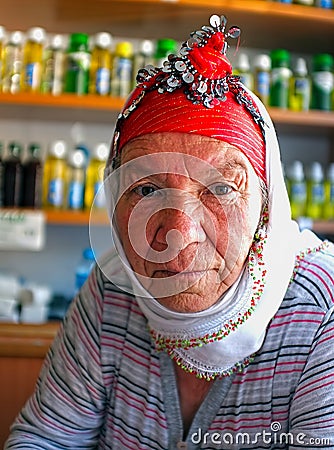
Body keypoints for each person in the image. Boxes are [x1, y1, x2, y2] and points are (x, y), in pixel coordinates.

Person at [5, 14, 334, 450]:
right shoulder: (111, 291)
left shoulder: (321, 313)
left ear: (266, 210)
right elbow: (43, 439)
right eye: (146, 188)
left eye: (220, 188)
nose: (179, 232)